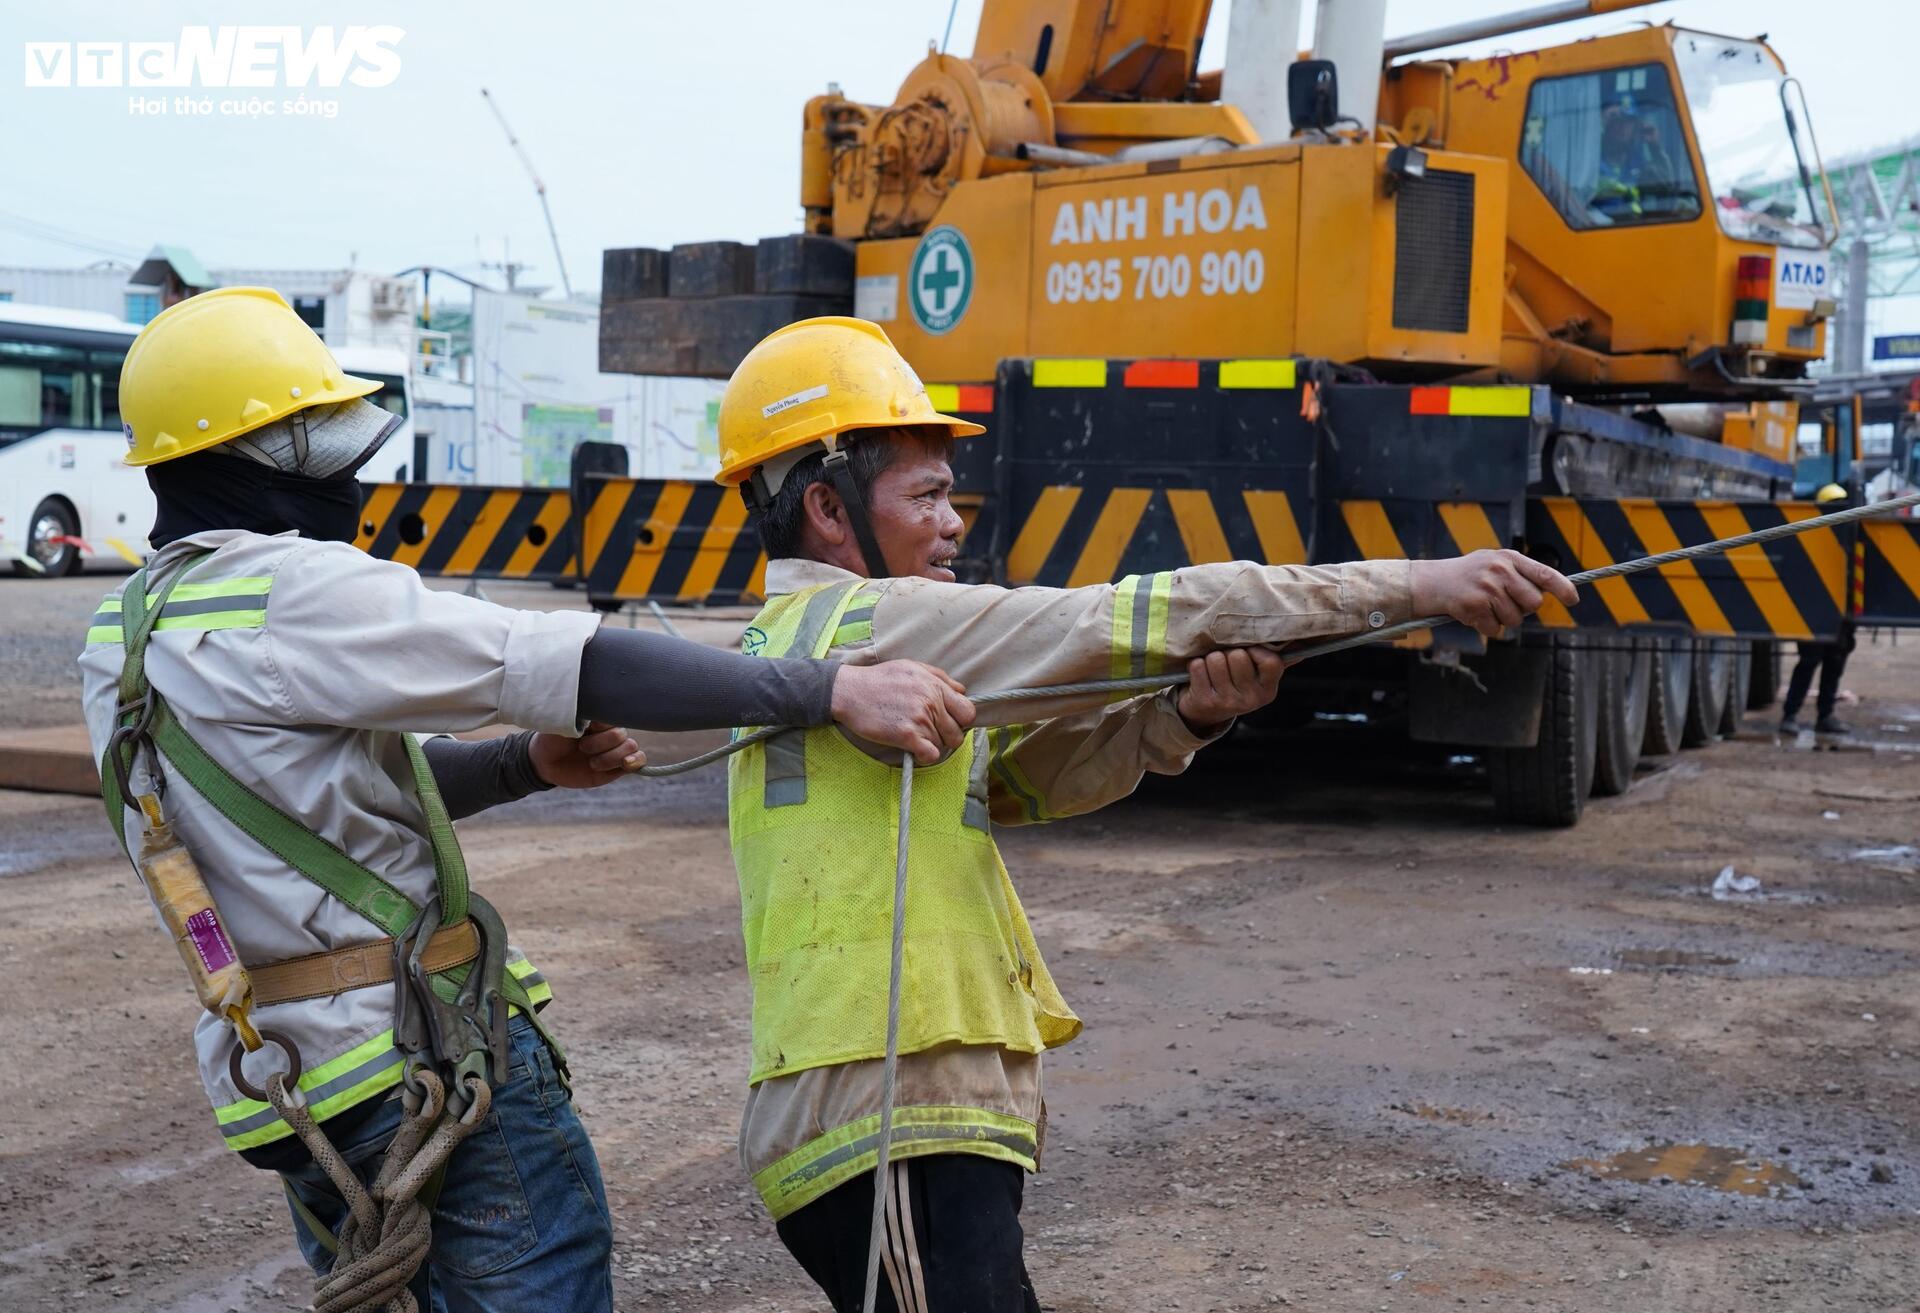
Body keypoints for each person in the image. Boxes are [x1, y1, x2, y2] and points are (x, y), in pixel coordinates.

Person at [79, 289, 973, 1313]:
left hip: (288, 1087)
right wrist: (830, 688)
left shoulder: (125, 632)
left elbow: (331, 799)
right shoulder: (294, 587)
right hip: (417, 1065)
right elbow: (574, 659)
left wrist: (525, 765)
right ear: (264, 452)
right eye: (320, 439)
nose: (351, 471)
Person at [712, 317, 1580, 1313]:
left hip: (899, 1103)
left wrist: (1186, 711)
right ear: (827, 506)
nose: (955, 522)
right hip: (884, 1105)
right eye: (929, 495)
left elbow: (1020, 783)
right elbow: (1135, 616)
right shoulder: (870, 622)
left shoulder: (818, 644)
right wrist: (1417, 585)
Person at [1780, 483, 1857, 737]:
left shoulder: (1852, 537)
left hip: (1841, 615)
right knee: (1809, 662)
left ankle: (1825, 716)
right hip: (1814, 613)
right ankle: (1790, 715)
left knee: (1834, 663)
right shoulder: (1809, 537)